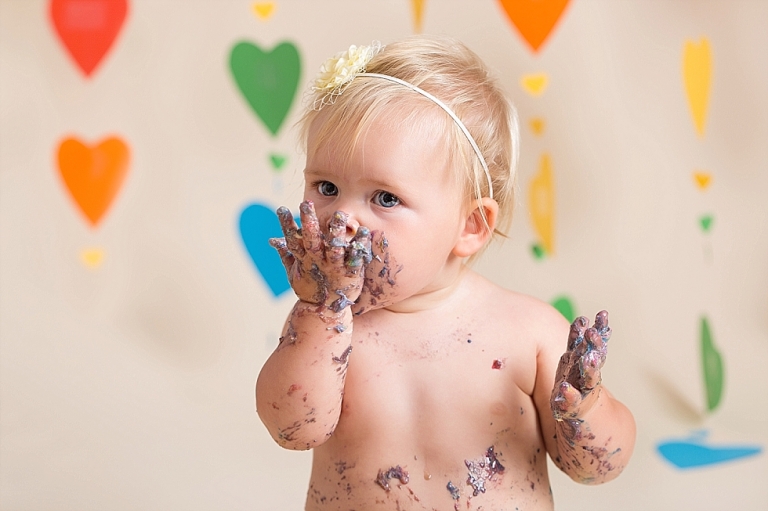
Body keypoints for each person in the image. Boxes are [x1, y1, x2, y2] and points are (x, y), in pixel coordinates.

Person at [256, 35, 635, 511]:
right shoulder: (327, 330)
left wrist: (585, 410)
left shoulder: (527, 332)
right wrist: (322, 312)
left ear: (470, 226)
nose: (342, 218)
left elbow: (598, 467)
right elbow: (291, 428)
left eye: (385, 198)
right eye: (326, 186)